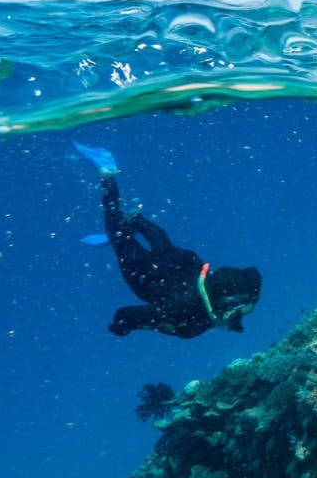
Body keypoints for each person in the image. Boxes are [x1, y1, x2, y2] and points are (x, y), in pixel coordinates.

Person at [74, 142, 261, 338]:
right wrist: (120, 327)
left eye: (245, 308)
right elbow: (125, 314)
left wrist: (247, 300)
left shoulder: (233, 293)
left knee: (163, 245)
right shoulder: (181, 313)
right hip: (149, 276)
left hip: (185, 264)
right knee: (118, 236)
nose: (239, 315)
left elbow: (251, 277)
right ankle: (108, 176)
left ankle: (136, 219)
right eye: (235, 311)